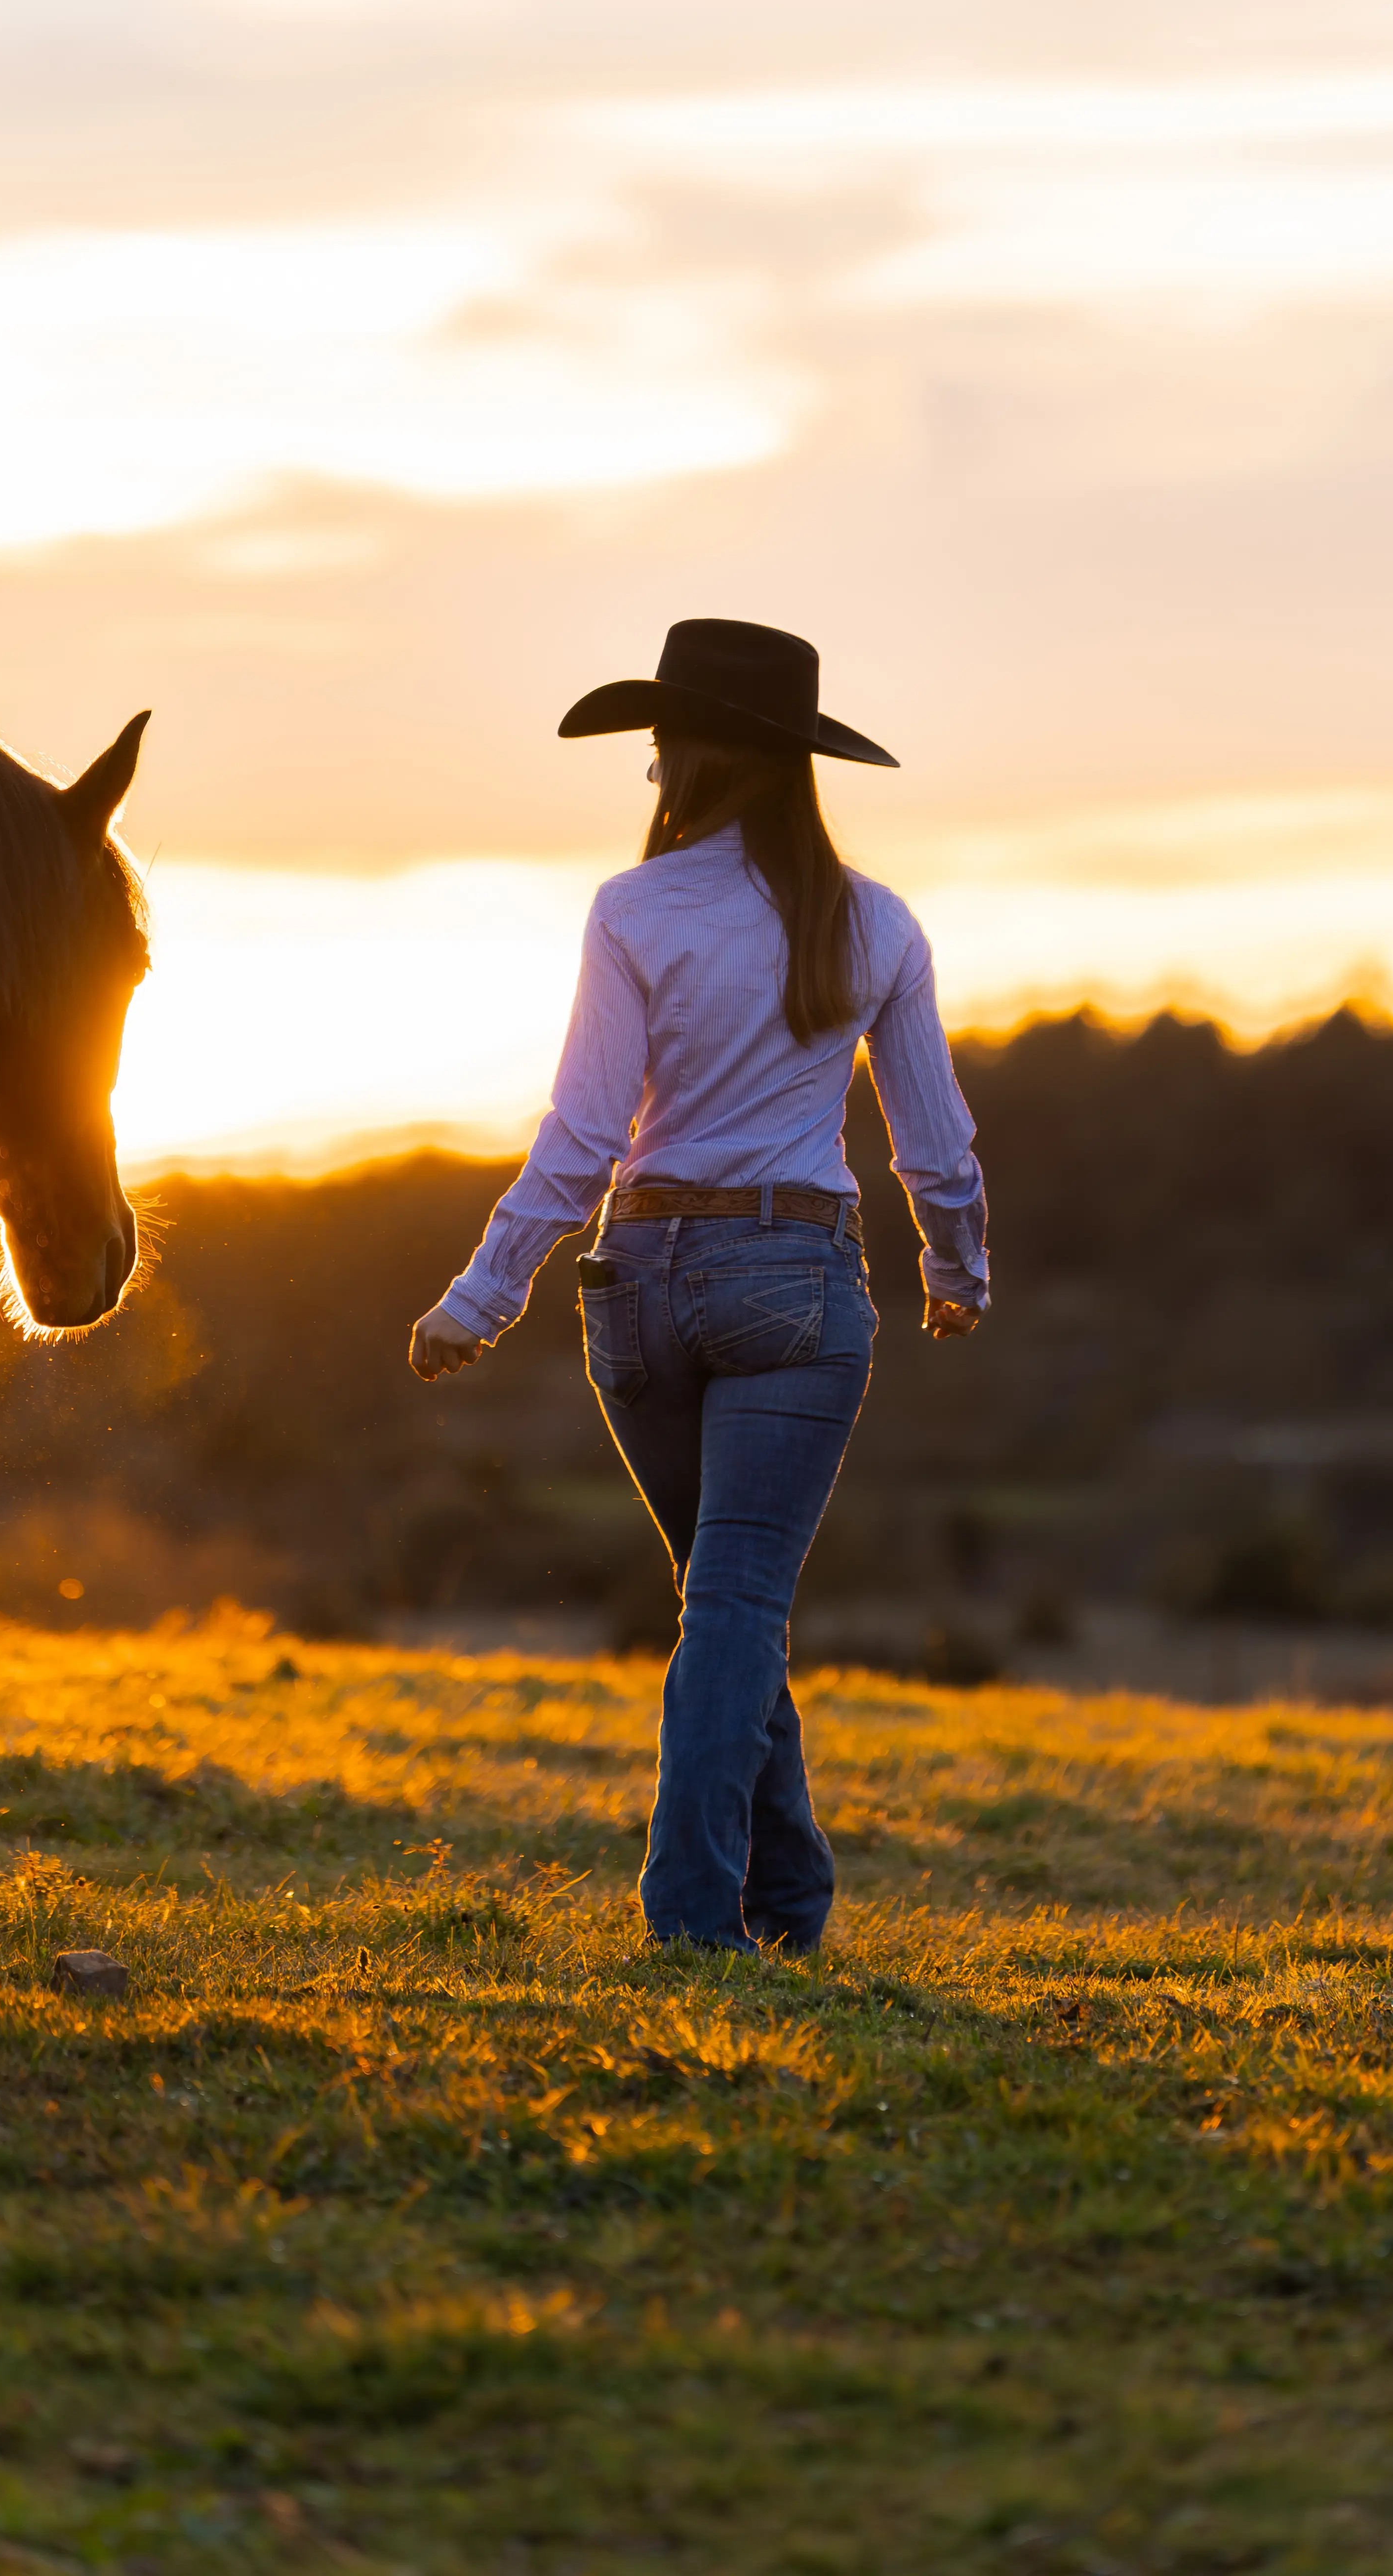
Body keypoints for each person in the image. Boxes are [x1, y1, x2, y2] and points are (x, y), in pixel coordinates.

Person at [408, 618, 989, 1956]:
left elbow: (580, 1134)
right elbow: (934, 1139)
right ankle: (692, 1922)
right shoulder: (878, 923)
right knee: (735, 1602)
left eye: (663, 737)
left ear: (696, 755)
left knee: (725, 1598)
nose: (654, 759)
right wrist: (954, 1269)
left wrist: (482, 1294)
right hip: (791, 1283)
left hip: (642, 1290)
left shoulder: (634, 909)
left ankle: (788, 1904)